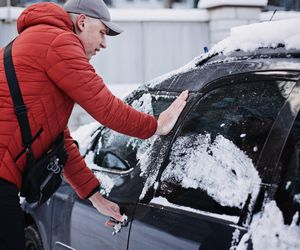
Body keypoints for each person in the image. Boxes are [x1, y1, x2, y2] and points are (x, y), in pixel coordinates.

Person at [0, 0, 188, 249]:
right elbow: (105, 107)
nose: (103, 43)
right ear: (82, 22)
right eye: (101, 32)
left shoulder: (39, 40)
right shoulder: (58, 41)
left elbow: (58, 140)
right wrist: (155, 126)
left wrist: (95, 197)